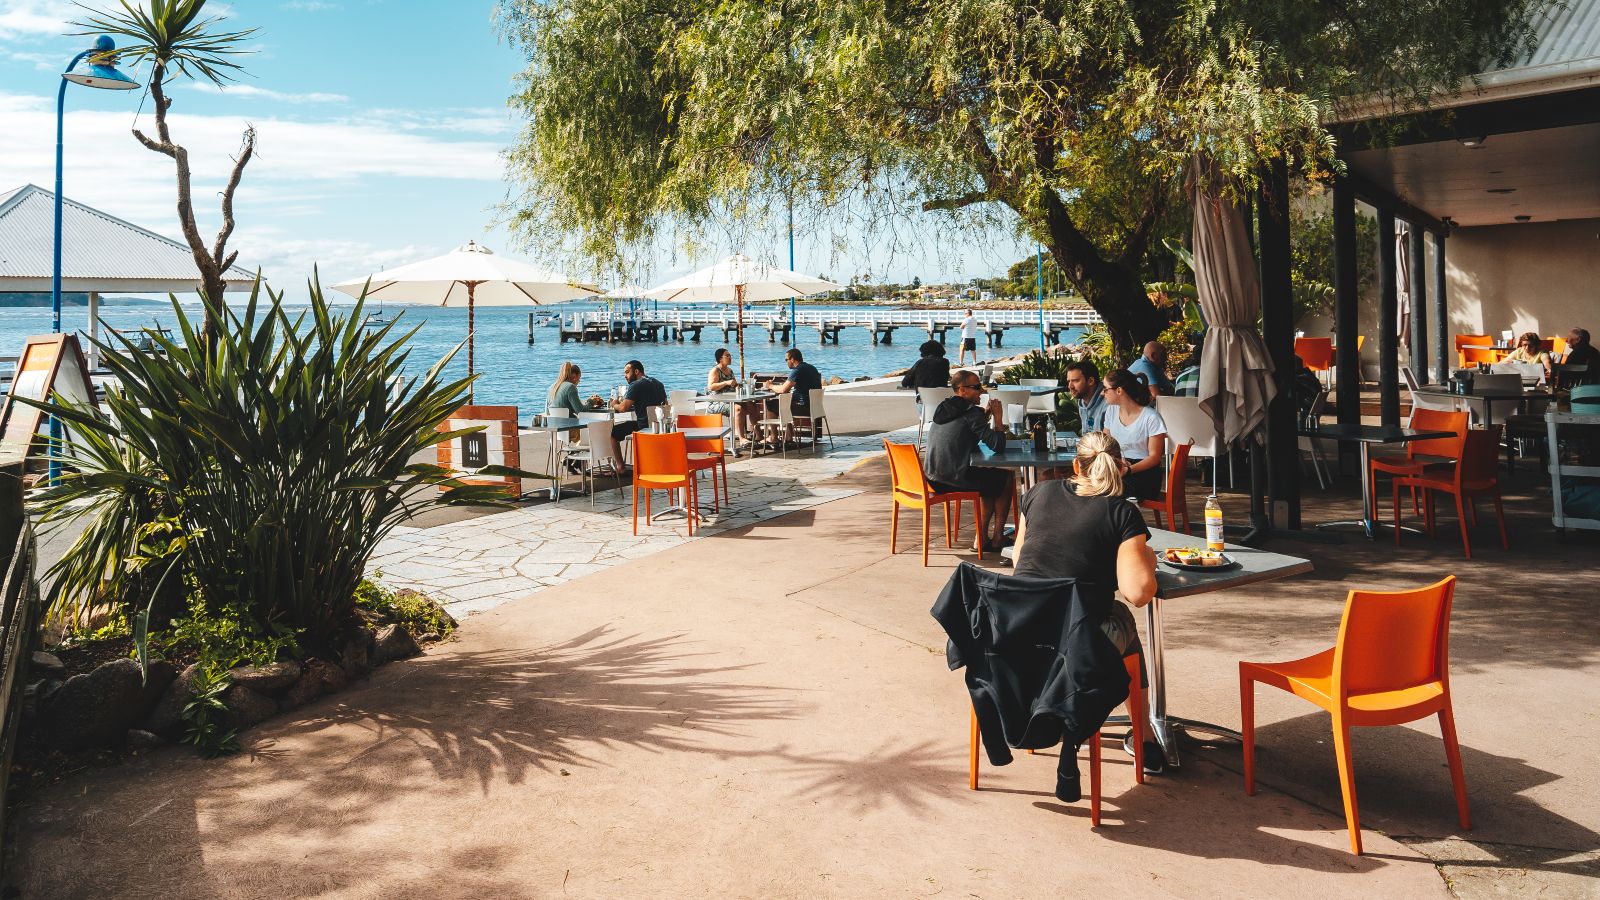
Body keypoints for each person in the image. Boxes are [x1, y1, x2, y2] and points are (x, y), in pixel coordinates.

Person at [1012, 430, 1156, 660]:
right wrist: (1148, 560)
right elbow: (1138, 594)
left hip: (1021, 625)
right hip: (1077, 641)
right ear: (1120, 469)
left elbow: (1019, 560)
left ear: (1076, 466)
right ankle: (1137, 696)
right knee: (1122, 616)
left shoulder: (1037, 493)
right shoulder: (1122, 512)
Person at [924, 368, 1015, 550]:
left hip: (932, 478)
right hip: (954, 478)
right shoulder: (971, 412)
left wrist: (985, 414)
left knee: (989, 480)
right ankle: (997, 538)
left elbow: (967, 428)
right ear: (962, 390)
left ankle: (980, 539)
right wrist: (998, 419)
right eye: (976, 387)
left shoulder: (944, 408)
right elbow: (997, 445)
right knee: (1006, 479)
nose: (981, 391)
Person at [1102, 368, 1168, 500]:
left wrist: (1128, 470)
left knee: (1109, 491)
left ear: (1119, 390)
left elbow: (1154, 457)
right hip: (1120, 467)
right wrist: (1118, 462)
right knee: (1092, 486)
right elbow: (1105, 443)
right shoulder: (1111, 411)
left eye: (1105, 389)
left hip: (1145, 475)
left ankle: (1119, 519)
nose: (1102, 393)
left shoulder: (1151, 417)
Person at [767, 348, 823, 446]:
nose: (786, 362)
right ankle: (788, 436)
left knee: (771, 405)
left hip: (804, 408)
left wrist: (769, 386)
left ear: (792, 359)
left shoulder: (797, 370)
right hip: (815, 408)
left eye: (786, 360)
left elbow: (783, 389)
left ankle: (774, 437)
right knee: (786, 404)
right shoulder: (811, 368)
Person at [707, 347, 758, 446]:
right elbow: (711, 387)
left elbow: (734, 385)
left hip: (732, 399)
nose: (730, 357)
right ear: (720, 359)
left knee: (752, 406)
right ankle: (742, 438)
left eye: (730, 355)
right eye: (727, 356)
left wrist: (742, 387)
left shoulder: (730, 370)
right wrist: (725, 382)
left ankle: (758, 434)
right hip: (717, 402)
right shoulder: (715, 371)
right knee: (738, 409)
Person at [611, 359, 667, 446]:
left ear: (636, 371)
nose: (625, 376)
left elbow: (623, 408)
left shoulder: (635, 384)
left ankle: (619, 460)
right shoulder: (658, 383)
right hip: (660, 427)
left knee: (613, 433)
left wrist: (614, 404)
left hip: (643, 427)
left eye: (627, 372)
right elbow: (665, 405)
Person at [1065, 359, 1106, 433]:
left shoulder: (1108, 404)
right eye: (1069, 381)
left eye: (1075, 381)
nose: (1070, 386)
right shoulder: (1082, 403)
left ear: (1091, 381)